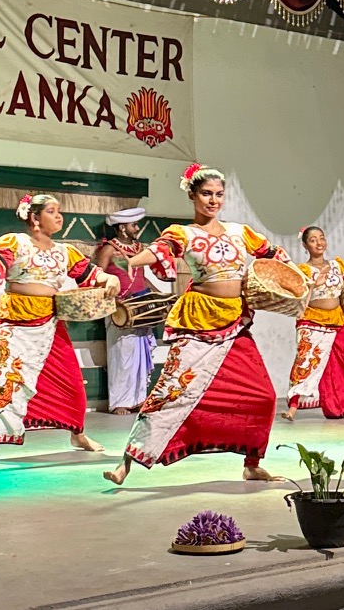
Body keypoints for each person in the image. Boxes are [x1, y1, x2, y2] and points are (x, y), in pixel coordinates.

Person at [103, 163, 290, 485]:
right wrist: (130, 262)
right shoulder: (183, 233)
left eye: (219, 194)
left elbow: (273, 254)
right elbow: (160, 252)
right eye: (206, 193)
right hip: (199, 320)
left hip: (235, 322)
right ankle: (128, 461)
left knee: (263, 396)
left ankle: (252, 463)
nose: (213, 200)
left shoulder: (240, 232)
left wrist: (289, 271)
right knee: (172, 392)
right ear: (192, 195)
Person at [0, 193, 119, 461]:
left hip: (50, 321)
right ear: (34, 217)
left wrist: (108, 278)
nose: (59, 216)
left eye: (59, 211)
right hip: (13, 320)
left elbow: (92, 274)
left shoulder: (66, 251)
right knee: (2, 379)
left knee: (71, 380)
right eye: (52, 211)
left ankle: (77, 434)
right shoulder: (14, 242)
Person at [280, 225, 344, 421]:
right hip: (312, 320)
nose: (319, 243)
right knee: (306, 363)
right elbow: (299, 299)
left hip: (337, 319)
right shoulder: (302, 270)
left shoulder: (338, 265)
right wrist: (313, 284)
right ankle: (292, 408)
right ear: (305, 245)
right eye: (313, 240)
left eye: (321, 238)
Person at [94, 207, 158, 414]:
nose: (137, 228)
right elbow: (97, 277)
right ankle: (120, 402)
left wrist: (157, 295)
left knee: (140, 354)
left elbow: (142, 277)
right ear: (122, 228)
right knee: (122, 354)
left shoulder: (140, 249)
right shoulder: (108, 250)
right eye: (134, 225)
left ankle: (138, 399)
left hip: (141, 306)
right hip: (119, 308)